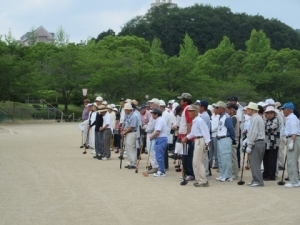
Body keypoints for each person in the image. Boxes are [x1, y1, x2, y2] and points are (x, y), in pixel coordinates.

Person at [182, 105, 211, 187]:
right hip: (197, 140)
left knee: (199, 161)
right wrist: (186, 138)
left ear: (196, 112)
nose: (189, 113)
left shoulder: (200, 121)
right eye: (189, 111)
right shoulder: (195, 121)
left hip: (201, 140)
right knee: (195, 162)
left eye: (191, 111)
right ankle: (199, 179)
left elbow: (206, 132)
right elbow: (193, 133)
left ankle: (203, 180)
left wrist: (207, 143)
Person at [245, 102, 266, 187]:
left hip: (256, 142)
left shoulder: (255, 119)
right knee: (256, 162)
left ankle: (258, 181)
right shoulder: (257, 118)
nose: (246, 110)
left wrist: (249, 145)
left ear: (253, 110)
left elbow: (253, 133)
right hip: (259, 142)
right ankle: (255, 179)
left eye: (248, 109)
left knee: (255, 163)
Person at [214, 101, 235, 182]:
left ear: (221, 108)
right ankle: (222, 174)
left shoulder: (226, 117)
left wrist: (232, 138)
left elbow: (231, 129)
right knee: (221, 157)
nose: (215, 109)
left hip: (225, 138)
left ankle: (228, 175)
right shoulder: (221, 117)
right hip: (220, 139)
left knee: (226, 157)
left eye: (217, 108)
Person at [281, 102, 300, 188]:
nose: (283, 111)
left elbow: (294, 131)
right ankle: (295, 179)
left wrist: (292, 142)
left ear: (288, 110)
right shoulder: (290, 118)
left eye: (284, 109)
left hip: (293, 139)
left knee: (291, 161)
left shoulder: (292, 118)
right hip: (291, 138)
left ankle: (294, 181)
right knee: (293, 161)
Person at [177, 93, 194, 182]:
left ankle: (190, 174)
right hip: (183, 134)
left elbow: (189, 122)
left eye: (181, 99)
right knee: (184, 155)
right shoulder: (186, 108)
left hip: (186, 135)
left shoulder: (188, 108)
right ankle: (186, 172)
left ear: (185, 101)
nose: (180, 101)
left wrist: (187, 136)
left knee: (188, 156)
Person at [150, 109, 169, 177]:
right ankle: (161, 170)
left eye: (153, 114)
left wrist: (151, 136)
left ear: (156, 114)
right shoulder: (159, 120)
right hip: (160, 139)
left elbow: (157, 132)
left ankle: (162, 171)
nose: (152, 115)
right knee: (159, 155)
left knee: (159, 156)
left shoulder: (160, 121)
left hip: (161, 139)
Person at [263, 106, 280, 181]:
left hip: (273, 143)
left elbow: (269, 129)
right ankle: (266, 173)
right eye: (268, 113)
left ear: (274, 113)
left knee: (272, 159)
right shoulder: (266, 120)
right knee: (265, 158)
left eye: (271, 113)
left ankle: (271, 175)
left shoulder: (276, 120)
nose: (269, 114)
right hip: (266, 142)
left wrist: (263, 128)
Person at [196, 100, 211, 179]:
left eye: (199, 106)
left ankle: (206, 172)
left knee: (204, 157)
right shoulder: (202, 115)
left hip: (204, 138)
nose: (198, 107)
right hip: (202, 137)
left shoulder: (205, 116)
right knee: (202, 156)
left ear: (203, 107)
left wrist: (206, 141)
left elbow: (204, 129)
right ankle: (204, 172)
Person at [121, 103, 139, 169]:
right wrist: (122, 130)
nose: (125, 111)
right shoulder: (127, 115)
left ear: (129, 110)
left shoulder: (134, 116)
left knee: (131, 148)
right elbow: (125, 123)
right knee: (127, 148)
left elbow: (132, 127)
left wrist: (124, 132)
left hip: (131, 133)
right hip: (127, 132)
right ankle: (130, 162)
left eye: (126, 110)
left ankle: (133, 163)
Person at [145, 98, 160, 174]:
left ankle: (155, 166)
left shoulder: (156, 114)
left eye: (152, 103)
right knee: (150, 150)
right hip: (150, 133)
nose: (150, 104)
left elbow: (152, 126)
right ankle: (153, 165)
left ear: (156, 104)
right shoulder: (152, 113)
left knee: (152, 150)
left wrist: (146, 128)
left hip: (152, 134)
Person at [226, 103, 240, 180]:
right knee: (231, 157)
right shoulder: (231, 117)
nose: (227, 110)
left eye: (228, 109)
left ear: (232, 110)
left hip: (234, 140)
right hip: (232, 139)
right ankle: (232, 172)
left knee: (233, 157)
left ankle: (235, 173)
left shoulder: (234, 118)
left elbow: (231, 128)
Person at [159, 100, 173, 170]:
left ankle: (165, 165)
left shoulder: (166, 114)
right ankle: (164, 164)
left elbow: (162, 124)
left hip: (165, 134)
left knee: (164, 150)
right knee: (163, 150)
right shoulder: (163, 114)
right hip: (164, 134)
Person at [210, 104, 219, 169]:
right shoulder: (212, 116)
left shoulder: (219, 116)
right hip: (211, 134)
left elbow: (217, 126)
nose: (214, 109)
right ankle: (209, 163)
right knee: (210, 150)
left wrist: (211, 130)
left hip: (216, 134)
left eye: (215, 108)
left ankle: (216, 164)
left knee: (216, 150)